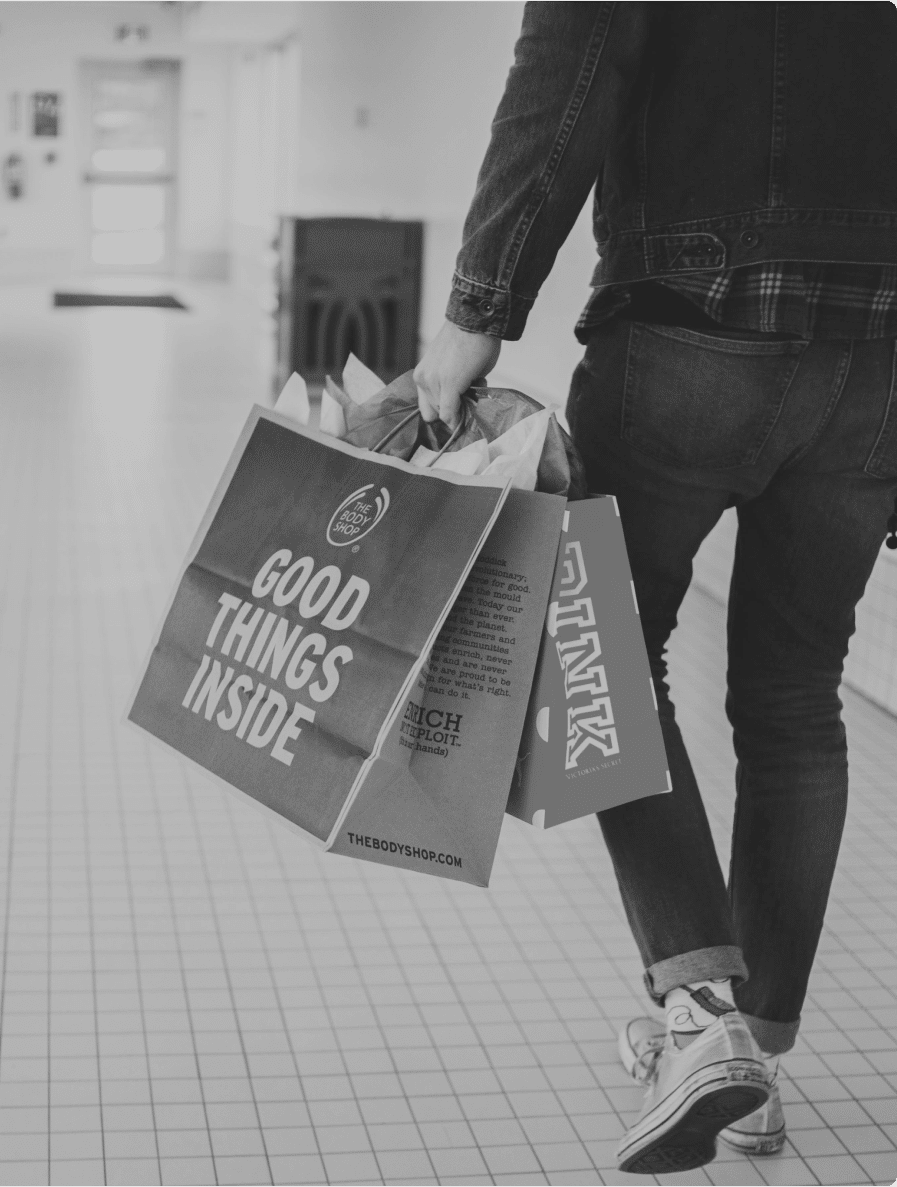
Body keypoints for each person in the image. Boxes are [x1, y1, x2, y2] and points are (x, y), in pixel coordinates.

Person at [413, 1, 897, 1175]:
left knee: (602, 666)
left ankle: (697, 1011)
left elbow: (567, 73)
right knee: (792, 700)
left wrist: (476, 311)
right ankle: (755, 1062)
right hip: (875, 346)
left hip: (685, 327)